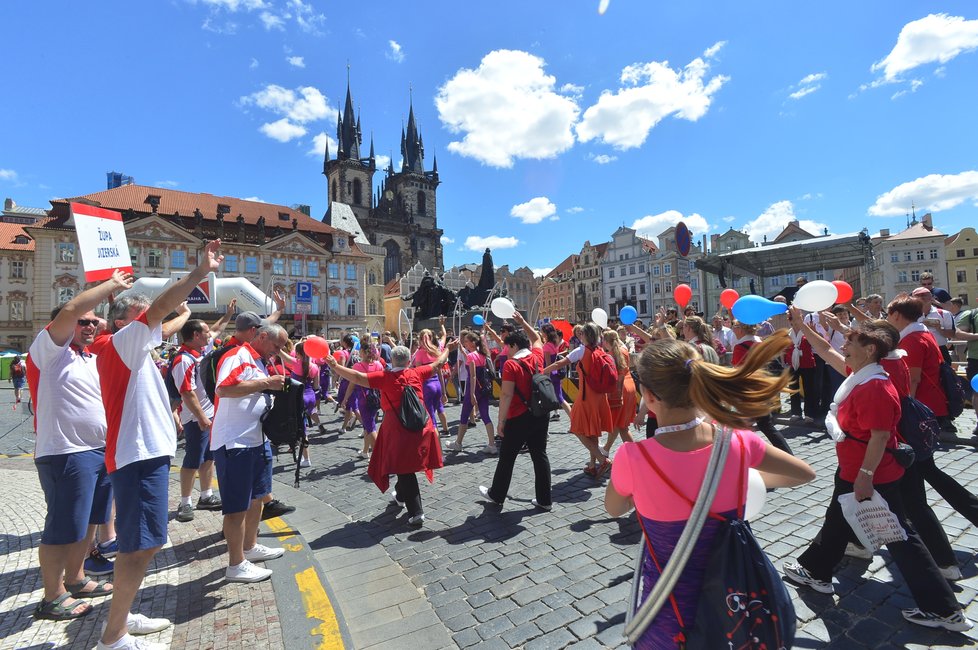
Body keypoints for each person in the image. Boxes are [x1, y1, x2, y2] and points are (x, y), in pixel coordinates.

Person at [605, 332, 815, 647]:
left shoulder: (632, 457)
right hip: (734, 612)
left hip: (667, 613)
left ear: (648, 397)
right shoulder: (737, 441)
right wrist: (741, 480)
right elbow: (803, 473)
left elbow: (615, 508)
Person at [782, 316, 972, 631]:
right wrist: (802, 326)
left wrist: (865, 476)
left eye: (850, 343)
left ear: (869, 349)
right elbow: (826, 350)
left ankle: (943, 608)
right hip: (857, 470)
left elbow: (881, 436)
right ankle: (814, 570)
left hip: (869, 473)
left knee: (900, 538)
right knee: (839, 521)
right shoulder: (861, 374)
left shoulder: (874, 386)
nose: (844, 346)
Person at [97, 240, 223, 650]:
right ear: (130, 320)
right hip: (137, 458)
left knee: (142, 543)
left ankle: (122, 614)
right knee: (141, 545)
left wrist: (185, 313)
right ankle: (113, 636)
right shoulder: (125, 343)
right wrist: (197, 274)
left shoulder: (133, 347)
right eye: (146, 316)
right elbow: (159, 311)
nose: (157, 322)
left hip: (143, 455)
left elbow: (163, 321)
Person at [28, 273, 132, 623]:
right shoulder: (49, 351)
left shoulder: (86, 356)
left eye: (93, 321)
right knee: (64, 526)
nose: (90, 325)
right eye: (82, 321)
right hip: (65, 451)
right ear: (62, 324)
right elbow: (73, 307)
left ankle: (76, 578)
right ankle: (52, 595)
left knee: (90, 521)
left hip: (97, 450)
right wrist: (111, 286)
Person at [328, 341, 451, 526]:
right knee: (403, 464)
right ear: (409, 360)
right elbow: (438, 364)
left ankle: (416, 512)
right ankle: (400, 495)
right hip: (420, 426)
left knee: (403, 467)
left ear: (392, 360)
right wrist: (449, 348)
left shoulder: (384, 377)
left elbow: (357, 377)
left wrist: (335, 366)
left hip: (397, 429)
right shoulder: (416, 372)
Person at [211, 323, 289, 583]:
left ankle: (250, 546)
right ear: (263, 337)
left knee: (257, 497)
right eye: (276, 346)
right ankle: (235, 564)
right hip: (235, 442)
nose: (277, 352)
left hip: (256, 439)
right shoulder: (238, 356)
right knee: (236, 506)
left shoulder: (259, 360)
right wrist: (267, 382)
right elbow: (223, 389)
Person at [478, 311, 552, 510]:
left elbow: (506, 395)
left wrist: (501, 422)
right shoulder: (537, 357)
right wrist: (522, 322)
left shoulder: (512, 364)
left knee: (507, 457)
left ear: (514, 346)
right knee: (540, 455)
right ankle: (545, 500)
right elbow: (536, 338)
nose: (506, 351)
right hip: (540, 414)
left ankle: (497, 494)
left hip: (519, 417)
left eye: (507, 347)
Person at [543, 322, 614, 478]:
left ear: (585, 335)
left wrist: (543, 371)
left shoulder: (582, 350)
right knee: (592, 431)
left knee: (576, 428)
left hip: (586, 397)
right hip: (600, 396)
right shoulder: (600, 350)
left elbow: (559, 363)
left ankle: (602, 460)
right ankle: (592, 465)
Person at [172, 319, 222, 523]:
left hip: (208, 415)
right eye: (206, 332)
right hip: (195, 418)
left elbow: (218, 330)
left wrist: (227, 314)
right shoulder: (183, 359)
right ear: (195, 335)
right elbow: (186, 392)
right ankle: (185, 502)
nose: (209, 335)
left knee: (209, 458)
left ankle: (206, 495)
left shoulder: (198, 354)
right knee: (192, 461)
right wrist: (201, 416)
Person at [730, 320, 793, 454]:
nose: (733, 329)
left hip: (748, 391)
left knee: (749, 425)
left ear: (741, 329)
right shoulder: (761, 343)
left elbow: (739, 372)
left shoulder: (740, 346)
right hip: (764, 387)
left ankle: (745, 457)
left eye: (734, 326)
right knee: (764, 424)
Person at [449, 331, 498, 454]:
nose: (464, 342)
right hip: (483, 389)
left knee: (464, 416)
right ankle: (492, 445)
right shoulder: (482, 354)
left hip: (473, 388)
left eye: (466, 341)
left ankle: (458, 443)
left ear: (472, 342)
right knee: (486, 415)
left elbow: (473, 376)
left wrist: (471, 394)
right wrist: (462, 350)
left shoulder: (472, 356)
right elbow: (471, 360)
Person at [600, 329, 637, 457]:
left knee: (621, 426)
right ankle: (606, 449)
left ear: (605, 342)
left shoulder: (610, 355)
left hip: (619, 388)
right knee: (619, 423)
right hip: (629, 385)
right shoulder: (623, 349)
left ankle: (636, 456)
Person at [411, 323, 451, 437]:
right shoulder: (435, 351)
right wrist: (444, 392)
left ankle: (435, 445)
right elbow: (440, 374)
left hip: (427, 386)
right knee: (439, 409)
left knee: (431, 418)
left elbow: (419, 374)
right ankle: (443, 431)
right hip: (437, 384)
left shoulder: (419, 353)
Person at [351, 335, 385, 459]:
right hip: (376, 397)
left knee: (370, 427)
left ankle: (379, 457)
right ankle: (366, 451)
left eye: (360, 350)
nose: (358, 352)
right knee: (367, 424)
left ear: (364, 352)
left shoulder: (357, 367)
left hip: (364, 399)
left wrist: (344, 399)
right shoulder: (378, 364)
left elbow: (351, 384)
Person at [291, 340, 321, 468]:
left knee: (302, 429)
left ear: (297, 353)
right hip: (310, 397)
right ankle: (302, 453)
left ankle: (306, 458)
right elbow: (316, 386)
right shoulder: (314, 367)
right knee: (302, 426)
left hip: (299, 397)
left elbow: (281, 353)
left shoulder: (295, 363)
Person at [542, 328, 573, 421]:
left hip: (550, 374)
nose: (541, 333)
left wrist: (544, 376)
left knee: (549, 400)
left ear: (546, 334)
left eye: (542, 331)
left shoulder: (547, 346)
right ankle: (574, 421)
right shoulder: (553, 344)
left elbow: (548, 364)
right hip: (555, 374)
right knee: (560, 399)